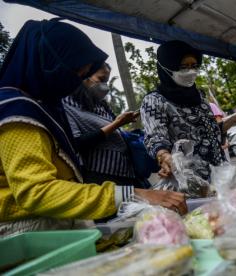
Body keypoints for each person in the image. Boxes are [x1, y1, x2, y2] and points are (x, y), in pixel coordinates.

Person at [0, 20, 186, 236]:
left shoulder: (46, 107)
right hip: (25, 231)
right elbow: (36, 191)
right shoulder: (18, 113)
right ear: (51, 64)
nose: (76, 83)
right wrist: (133, 194)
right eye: (77, 74)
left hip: (53, 221)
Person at [141, 40, 236, 180]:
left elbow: (207, 131)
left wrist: (234, 119)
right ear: (167, 67)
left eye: (194, 66)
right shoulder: (155, 100)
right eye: (183, 67)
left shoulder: (199, 96)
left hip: (220, 174)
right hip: (190, 180)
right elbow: (155, 138)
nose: (190, 71)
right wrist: (164, 156)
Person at [63, 63, 141, 186]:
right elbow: (77, 143)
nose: (105, 86)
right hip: (100, 176)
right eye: (101, 79)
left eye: (107, 81)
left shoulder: (101, 104)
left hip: (126, 171)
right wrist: (116, 124)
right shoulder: (66, 104)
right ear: (84, 76)